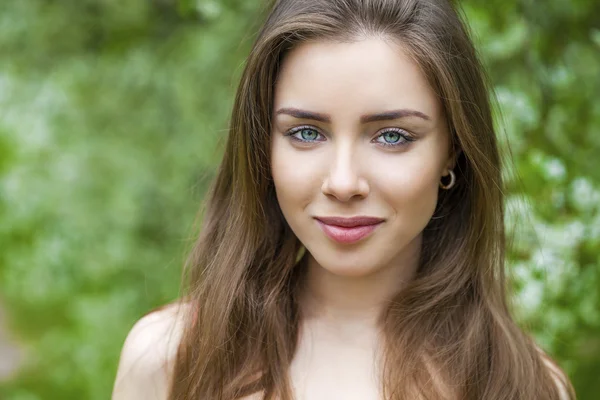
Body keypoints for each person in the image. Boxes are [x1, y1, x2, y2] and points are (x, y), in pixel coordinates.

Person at [112, 0, 576, 399]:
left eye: (392, 136)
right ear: (263, 148)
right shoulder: (168, 359)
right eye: (306, 132)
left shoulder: (523, 385)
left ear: (452, 150)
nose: (343, 181)